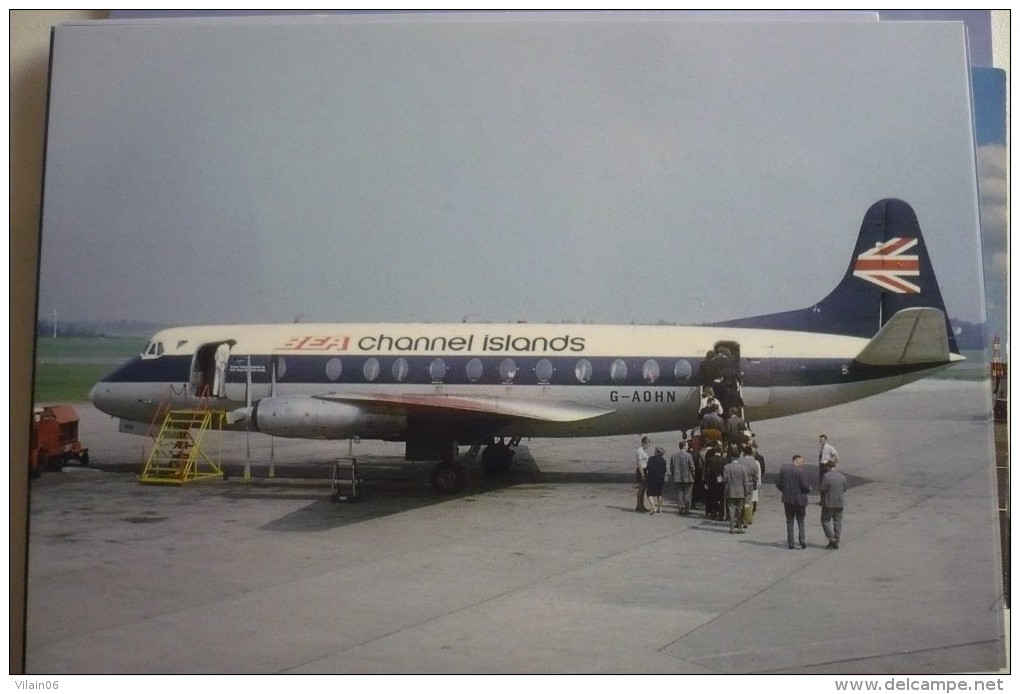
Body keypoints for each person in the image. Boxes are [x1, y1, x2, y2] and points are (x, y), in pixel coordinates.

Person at [776, 454, 813, 549]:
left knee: (789, 521)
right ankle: (802, 540)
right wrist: (809, 489)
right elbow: (805, 486)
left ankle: (791, 543)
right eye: (802, 461)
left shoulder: (784, 470)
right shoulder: (801, 472)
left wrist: (784, 490)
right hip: (800, 500)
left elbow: (778, 483)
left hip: (787, 500)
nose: (803, 464)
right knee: (801, 520)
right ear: (796, 460)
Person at [819, 459, 848, 549]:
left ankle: (832, 539)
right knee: (838, 522)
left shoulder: (826, 476)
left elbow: (823, 488)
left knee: (825, 520)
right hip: (840, 502)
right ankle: (837, 539)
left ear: (828, 467)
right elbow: (844, 488)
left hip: (829, 502)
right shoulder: (842, 476)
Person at [723, 451, 753, 534]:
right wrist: (746, 493)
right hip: (741, 492)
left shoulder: (726, 467)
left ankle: (732, 528)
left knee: (731, 510)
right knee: (740, 511)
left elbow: (724, 480)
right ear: (738, 458)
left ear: (731, 458)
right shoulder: (743, 468)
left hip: (731, 492)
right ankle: (740, 528)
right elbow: (745, 482)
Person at [670, 440, 696, 516]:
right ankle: (687, 510)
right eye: (687, 445)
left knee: (680, 494)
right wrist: (693, 474)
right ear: (684, 446)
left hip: (678, 477)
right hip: (688, 477)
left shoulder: (674, 455)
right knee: (687, 494)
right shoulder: (688, 456)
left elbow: (671, 467)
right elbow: (692, 467)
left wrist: (674, 474)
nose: (688, 446)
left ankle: (680, 509)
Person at [645, 446, 668, 514]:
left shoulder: (651, 459)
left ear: (657, 452)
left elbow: (647, 468)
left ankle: (653, 507)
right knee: (659, 493)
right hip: (660, 478)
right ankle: (660, 508)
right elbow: (665, 470)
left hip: (652, 477)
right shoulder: (663, 460)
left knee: (649, 493)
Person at [635, 436, 651, 512]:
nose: (648, 445)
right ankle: (639, 506)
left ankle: (640, 505)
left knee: (643, 489)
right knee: (641, 489)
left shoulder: (644, 451)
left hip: (645, 470)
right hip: (641, 471)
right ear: (643, 443)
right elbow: (640, 464)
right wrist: (643, 475)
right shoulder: (639, 451)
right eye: (647, 443)